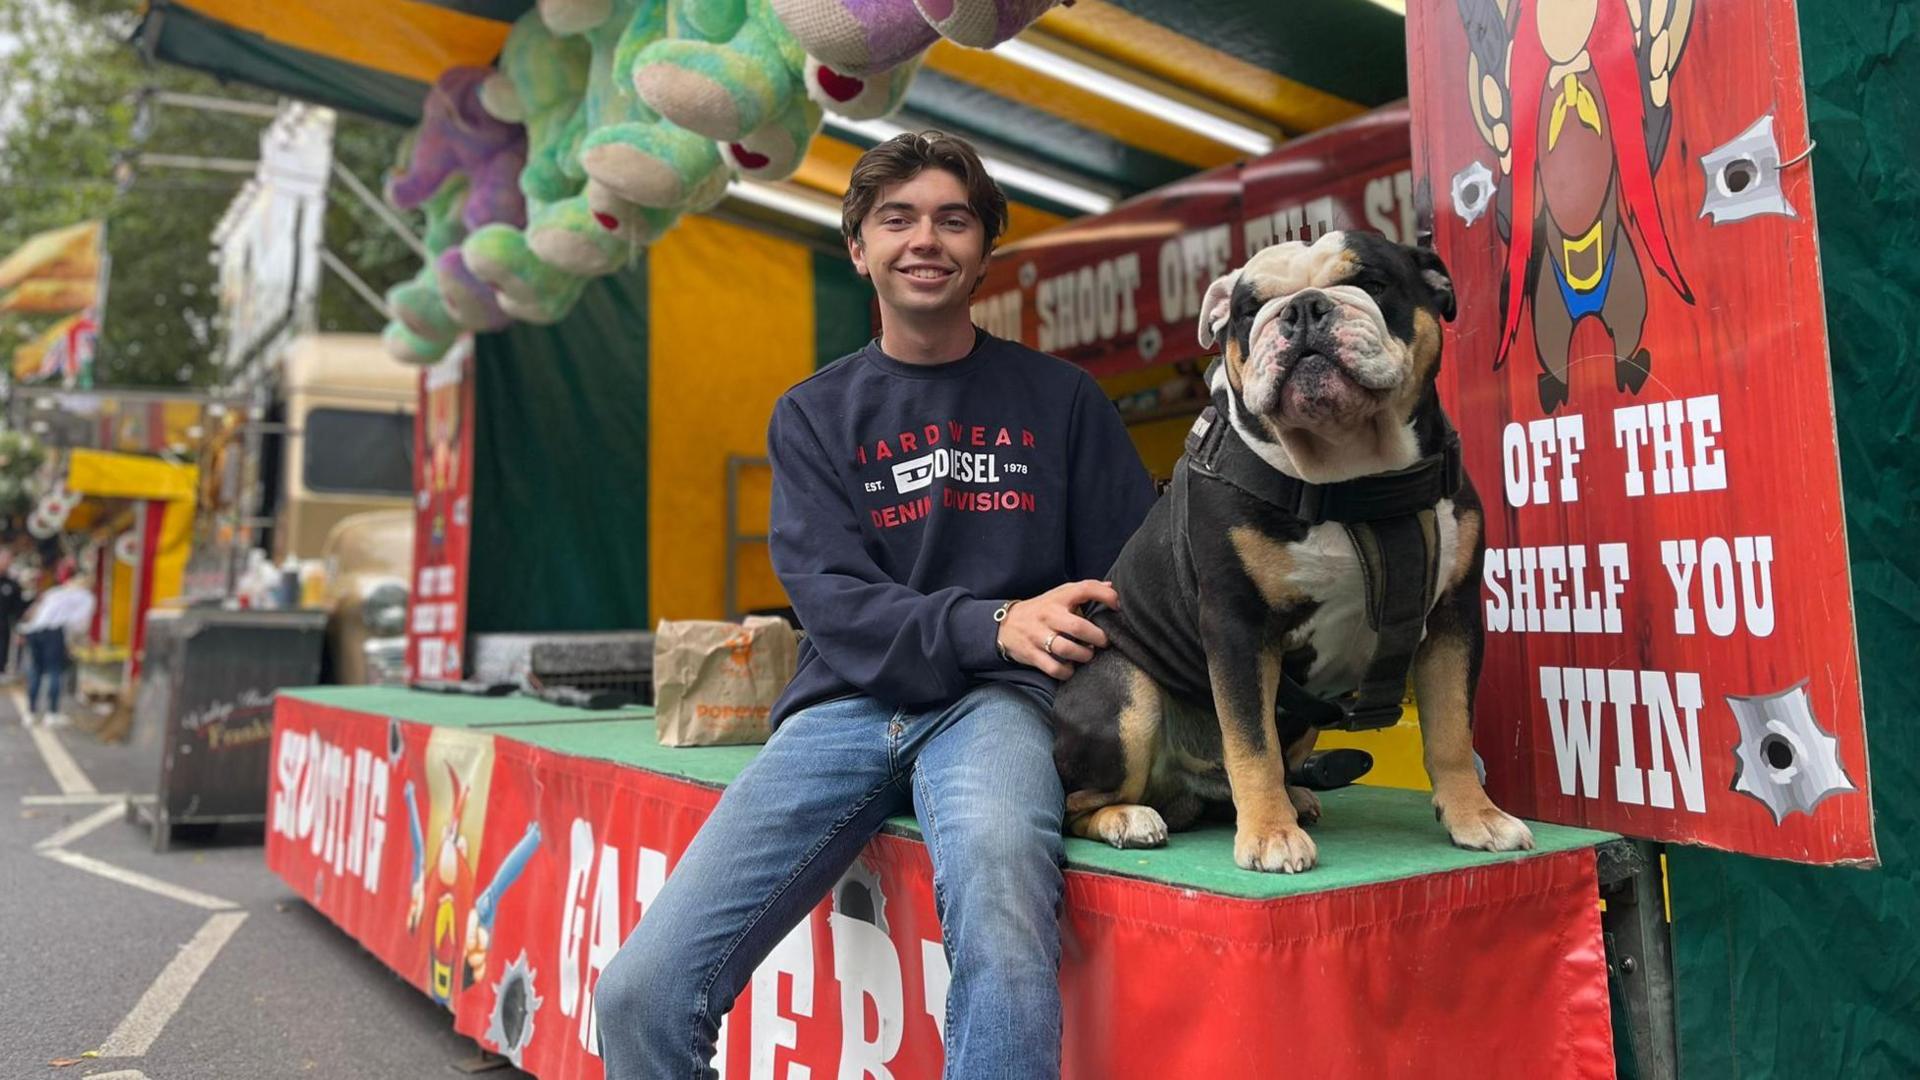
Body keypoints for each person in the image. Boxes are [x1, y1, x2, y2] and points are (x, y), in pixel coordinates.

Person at [594, 131, 1157, 1079]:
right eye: (895, 220)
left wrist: (1043, 641)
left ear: (985, 249)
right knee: (640, 993)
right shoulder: (814, 413)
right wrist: (993, 621)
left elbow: (1131, 585)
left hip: (1004, 708)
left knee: (1005, 921)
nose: (924, 240)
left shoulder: (1064, 402)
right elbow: (834, 604)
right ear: (859, 248)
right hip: (846, 706)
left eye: (952, 220)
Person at [19, 558, 95, 726]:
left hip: (34, 631)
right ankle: (52, 713)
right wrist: (75, 642)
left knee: (36, 671)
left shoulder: (55, 592)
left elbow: (32, 613)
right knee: (55, 671)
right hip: (54, 632)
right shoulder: (85, 597)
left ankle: (31, 713)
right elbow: (80, 624)